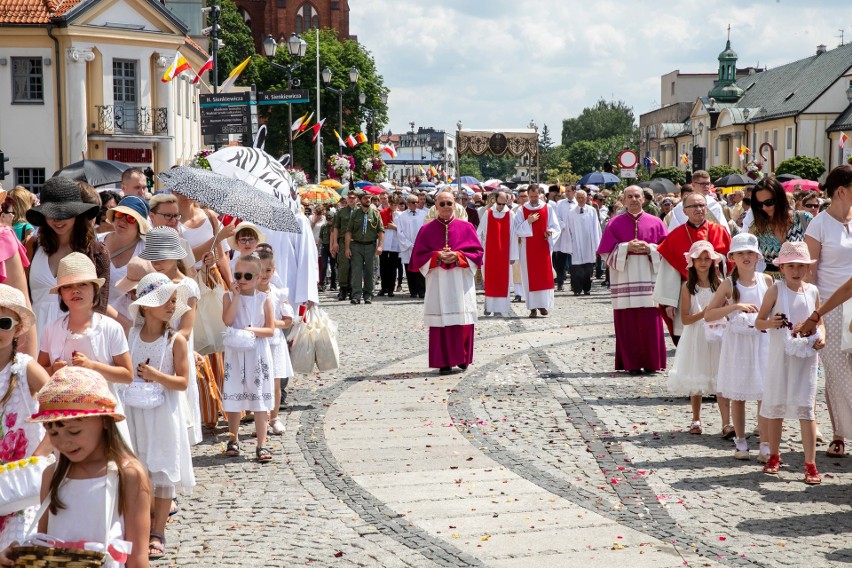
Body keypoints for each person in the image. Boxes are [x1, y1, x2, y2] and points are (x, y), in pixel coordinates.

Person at [0, 367, 150, 568]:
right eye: (53, 434)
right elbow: (44, 545)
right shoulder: (52, 475)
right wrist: (19, 556)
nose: (64, 443)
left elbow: (138, 556)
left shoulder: (127, 475)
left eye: (74, 431)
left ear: (105, 421)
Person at [126, 273, 195, 558]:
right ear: (145, 306)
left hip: (164, 413)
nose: (171, 305)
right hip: (136, 411)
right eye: (164, 300)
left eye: (173, 300)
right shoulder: (131, 335)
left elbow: (183, 381)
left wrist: (156, 376)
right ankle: (140, 526)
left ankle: (158, 531)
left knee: (163, 469)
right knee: (139, 466)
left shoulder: (175, 340)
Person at [36, 253, 134, 448]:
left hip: (102, 410)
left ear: (94, 289)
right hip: (63, 413)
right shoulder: (51, 329)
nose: (75, 291)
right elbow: (39, 374)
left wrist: (93, 366)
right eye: (68, 287)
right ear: (61, 294)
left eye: (82, 285)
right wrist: (54, 371)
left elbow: (127, 375)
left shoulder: (109, 327)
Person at [754, 242, 825, 483]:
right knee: (776, 407)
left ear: (807, 268)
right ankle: (774, 454)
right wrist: (771, 323)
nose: (796, 270)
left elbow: (819, 321)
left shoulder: (812, 291)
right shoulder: (776, 289)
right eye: (791, 266)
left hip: (805, 359)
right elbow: (758, 321)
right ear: (782, 268)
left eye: (800, 266)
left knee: (807, 408)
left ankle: (810, 463)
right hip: (780, 358)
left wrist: (820, 337)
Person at [705, 233, 773, 460]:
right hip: (737, 344)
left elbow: (772, 309)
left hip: (762, 340)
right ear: (733, 256)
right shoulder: (728, 284)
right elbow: (709, 314)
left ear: (757, 256)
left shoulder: (766, 281)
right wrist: (734, 307)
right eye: (741, 253)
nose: (746, 257)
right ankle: (741, 441)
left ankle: (765, 443)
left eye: (750, 253)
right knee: (739, 395)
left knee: (764, 393)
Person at [803, 164, 852, 458]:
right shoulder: (819, 224)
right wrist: (813, 312)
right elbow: (809, 273)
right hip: (830, 307)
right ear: (842, 191)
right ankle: (839, 433)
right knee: (836, 372)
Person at [25, 177, 109, 348]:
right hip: (35, 337)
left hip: (80, 340)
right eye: (51, 213)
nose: (58, 220)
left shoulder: (97, 251)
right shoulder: (33, 245)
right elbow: (24, 297)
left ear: (78, 213)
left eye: (65, 213)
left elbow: (100, 306)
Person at [137, 227, 202, 446]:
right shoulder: (151, 282)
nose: (157, 263)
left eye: (162, 257)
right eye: (153, 258)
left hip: (174, 347)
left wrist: (168, 344)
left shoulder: (187, 285)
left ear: (175, 255)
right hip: (153, 346)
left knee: (176, 401)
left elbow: (186, 327)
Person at [409, 192, 484, 375]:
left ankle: (463, 358)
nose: (445, 207)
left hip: (460, 280)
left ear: (455, 205)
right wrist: (436, 256)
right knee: (440, 320)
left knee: (462, 319)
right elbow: (417, 257)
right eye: (441, 203)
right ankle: (443, 361)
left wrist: (458, 256)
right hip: (438, 281)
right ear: (435, 206)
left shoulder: (466, 228)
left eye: (449, 203)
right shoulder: (426, 230)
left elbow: (478, 254)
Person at [596, 186, 668, 375]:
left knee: (651, 320)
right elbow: (604, 252)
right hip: (624, 278)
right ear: (624, 200)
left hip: (649, 278)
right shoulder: (614, 223)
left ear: (643, 199)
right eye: (630, 197)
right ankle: (631, 363)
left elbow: (667, 250)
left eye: (637, 196)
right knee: (627, 321)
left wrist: (650, 249)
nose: (634, 199)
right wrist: (626, 247)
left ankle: (653, 362)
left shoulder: (656, 222)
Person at [0, 285, 51, 550]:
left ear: (18, 328)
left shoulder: (25, 368)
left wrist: (39, 457)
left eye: (4, 322)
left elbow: (58, 412)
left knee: (18, 548)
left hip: (23, 482)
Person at [654, 192, 731, 344]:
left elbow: (731, 262)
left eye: (702, 205)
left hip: (716, 290)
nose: (699, 209)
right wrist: (669, 302)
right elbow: (669, 269)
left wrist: (717, 258)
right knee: (689, 339)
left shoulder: (720, 231)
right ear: (685, 211)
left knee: (718, 340)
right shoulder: (675, 235)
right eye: (694, 206)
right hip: (687, 292)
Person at [666, 241, 726, 436]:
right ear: (692, 261)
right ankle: (696, 418)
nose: (703, 262)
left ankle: (726, 421)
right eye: (699, 258)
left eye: (707, 258)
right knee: (696, 374)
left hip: (717, 332)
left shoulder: (720, 283)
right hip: (697, 334)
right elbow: (685, 318)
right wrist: (705, 314)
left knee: (720, 375)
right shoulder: (688, 287)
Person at [221, 253, 275, 461]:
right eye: (238, 275)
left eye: (247, 276)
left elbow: (270, 329)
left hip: (257, 351)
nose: (242, 280)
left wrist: (252, 330)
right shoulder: (228, 296)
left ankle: (262, 444)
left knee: (259, 397)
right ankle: (233, 438)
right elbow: (227, 320)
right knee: (234, 394)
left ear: (259, 276)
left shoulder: (264, 299)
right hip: (236, 351)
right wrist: (235, 296)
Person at [255, 248, 293, 435]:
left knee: (275, 383)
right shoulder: (249, 292)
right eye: (260, 270)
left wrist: (273, 323)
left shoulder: (278, 293)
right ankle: (260, 420)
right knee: (258, 382)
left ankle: (274, 417)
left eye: (268, 271)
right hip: (256, 343)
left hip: (275, 343)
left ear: (273, 270)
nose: (263, 275)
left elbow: (288, 320)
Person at [99, 196, 151, 328]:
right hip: (97, 319)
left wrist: (129, 326)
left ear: (139, 225)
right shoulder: (96, 243)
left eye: (130, 218)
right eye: (120, 214)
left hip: (133, 323)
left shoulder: (146, 249)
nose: (122, 220)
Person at [749, 176, 811, 276]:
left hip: (800, 280)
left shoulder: (804, 219)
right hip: (770, 284)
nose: (764, 208)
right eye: (759, 204)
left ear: (780, 199)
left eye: (768, 202)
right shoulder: (757, 227)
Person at [515, 184, 560, 318]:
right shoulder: (522, 210)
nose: (534, 199)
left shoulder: (548, 208)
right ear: (528, 196)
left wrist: (550, 232)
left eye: (536, 196)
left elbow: (555, 226)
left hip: (543, 246)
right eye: (531, 196)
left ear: (540, 194)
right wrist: (528, 222)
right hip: (527, 249)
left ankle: (543, 305)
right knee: (530, 277)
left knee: (543, 276)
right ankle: (532, 308)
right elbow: (517, 229)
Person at [476, 190, 518, 316]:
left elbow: (514, 236)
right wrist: (478, 250)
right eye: (499, 204)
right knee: (490, 280)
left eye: (503, 204)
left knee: (502, 280)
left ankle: (501, 307)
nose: (501, 207)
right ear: (495, 201)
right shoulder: (488, 214)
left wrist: (513, 255)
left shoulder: (510, 215)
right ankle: (489, 306)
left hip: (504, 254)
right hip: (489, 253)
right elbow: (480, 232)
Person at [345, 190, 384, 305]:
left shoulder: (375, 213)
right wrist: (347, 248)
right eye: (365, 198)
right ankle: (356, 295)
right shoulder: (355, 213)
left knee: (370, 271)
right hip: (356, 245)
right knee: (356, 271)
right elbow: (348, 232)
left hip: (371, 246)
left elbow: (381, 231)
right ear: (360, 200)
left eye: (369, 198)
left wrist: (380, 246)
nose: (368, 200)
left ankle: (368, 295)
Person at [565, 190, 602, 296]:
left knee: (588, 268)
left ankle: (586, 288)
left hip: (588, 243)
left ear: (586, 198)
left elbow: (596, 228)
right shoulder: (571, 213)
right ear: (576, 199)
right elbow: (568, 229)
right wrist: (569, 244)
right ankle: (577, 288)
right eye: (579, 198)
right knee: (576, 269)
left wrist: (596, 244)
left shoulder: (591, 211)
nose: (581, 200)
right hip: (576, 243)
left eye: (583, 198)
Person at [397, 194, 427, 298]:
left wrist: (422, 244)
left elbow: (426, 229)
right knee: (409, 269)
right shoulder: (402, 216)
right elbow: (399, 232)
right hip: (408, 247)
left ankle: (422, 291)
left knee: (421, 269)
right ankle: (413, 291)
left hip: (421, 246)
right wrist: (408, 244)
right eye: (413, 202)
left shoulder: (423, 214)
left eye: (417, 202)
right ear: (408, 203)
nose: (416, 204)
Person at [331, 192, 358, 301]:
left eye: (353, 198)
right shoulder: (341, 212)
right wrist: (335, 243)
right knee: (343, 266)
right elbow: (336, 228)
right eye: (349, 198)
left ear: (357, 199)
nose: (351, 200)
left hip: (356, 242)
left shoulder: (360, 212)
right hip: (342, 241)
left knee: (355, 266)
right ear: (346, 199)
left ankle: (352, 289)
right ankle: (343, 289)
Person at [553, 186, 577, 292]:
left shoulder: (578, 203)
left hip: (574, 235)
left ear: (574, 191)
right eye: (565, 191)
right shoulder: (560, 203)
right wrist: (563, 225)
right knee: (560, 261)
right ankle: (560, 282)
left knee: (574, 262)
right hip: (563, 235)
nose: (566, 193)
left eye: (568, 191)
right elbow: (556, 217)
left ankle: (574, 283)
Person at [378, 193, 400, 297]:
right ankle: (384, 287)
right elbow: (379, 227)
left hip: (395, 244)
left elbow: (403, 229)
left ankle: (391, 288)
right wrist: (387, 227)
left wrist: (395, 227)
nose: (393, 206)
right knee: (383, 267)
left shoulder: (400, 215)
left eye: (395, 204)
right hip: (385, 243)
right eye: (391, 204)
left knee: (393, 267)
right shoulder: (383, 213)